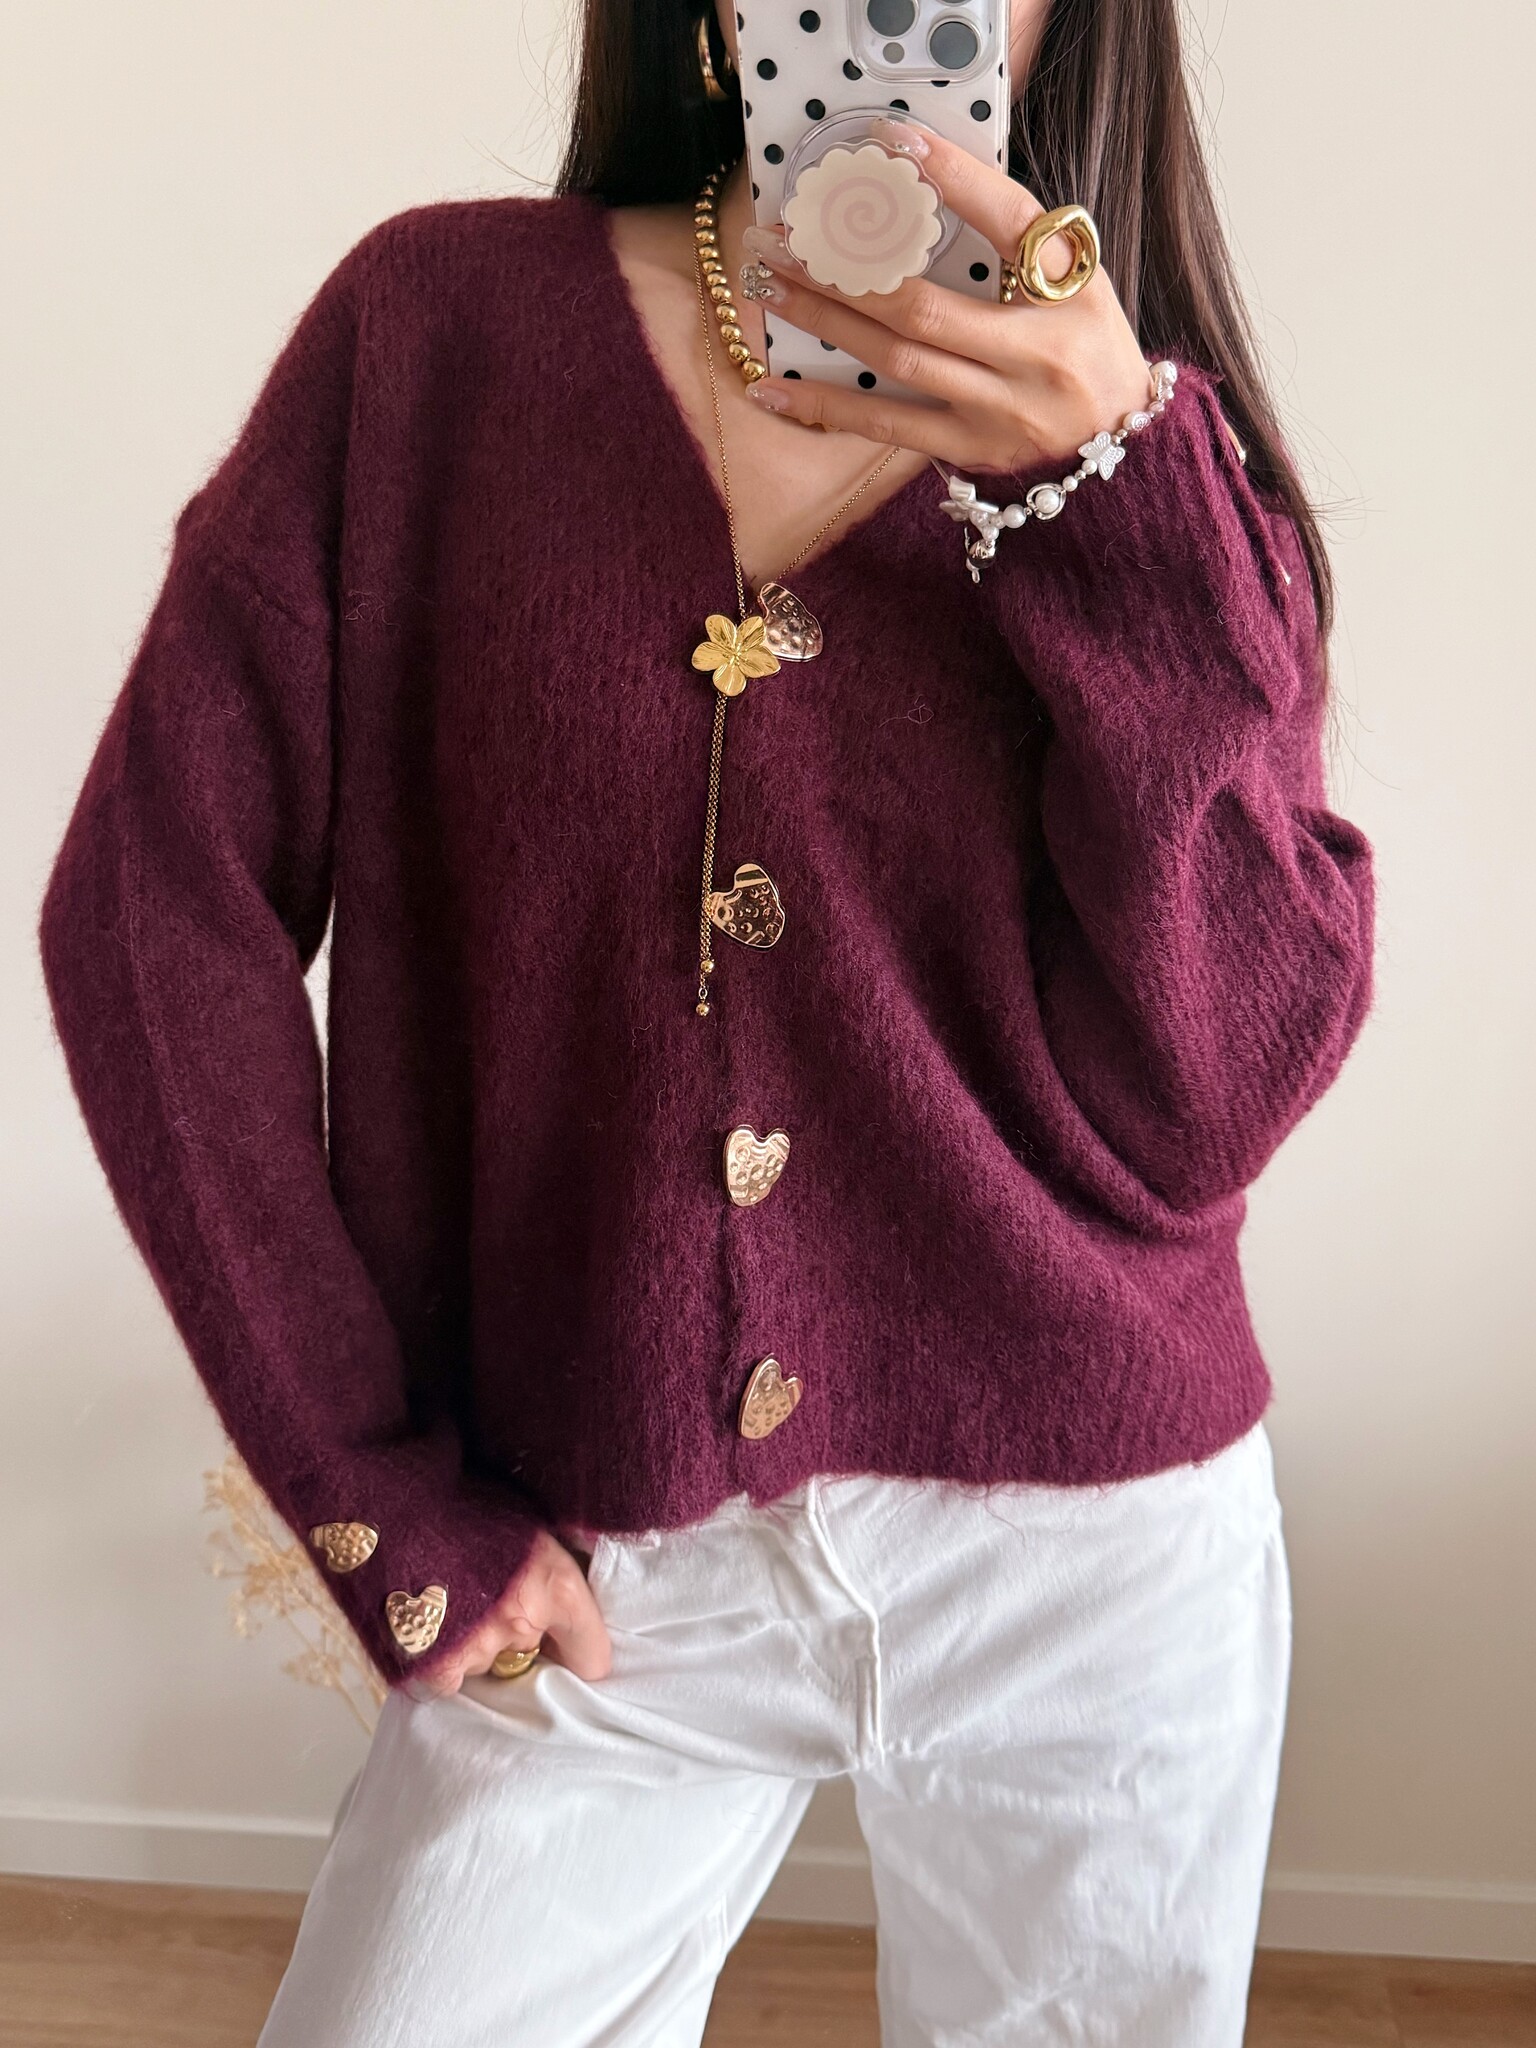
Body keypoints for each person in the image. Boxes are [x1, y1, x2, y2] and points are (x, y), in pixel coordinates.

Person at [37, 0, 1377, 2040]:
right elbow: (153, 908)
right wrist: (366, 1475)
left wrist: (1115, 501)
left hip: (1095, 1560)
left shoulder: (1167, 475)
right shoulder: (435, 340)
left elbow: (1213, 1098)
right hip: (606, 1534)